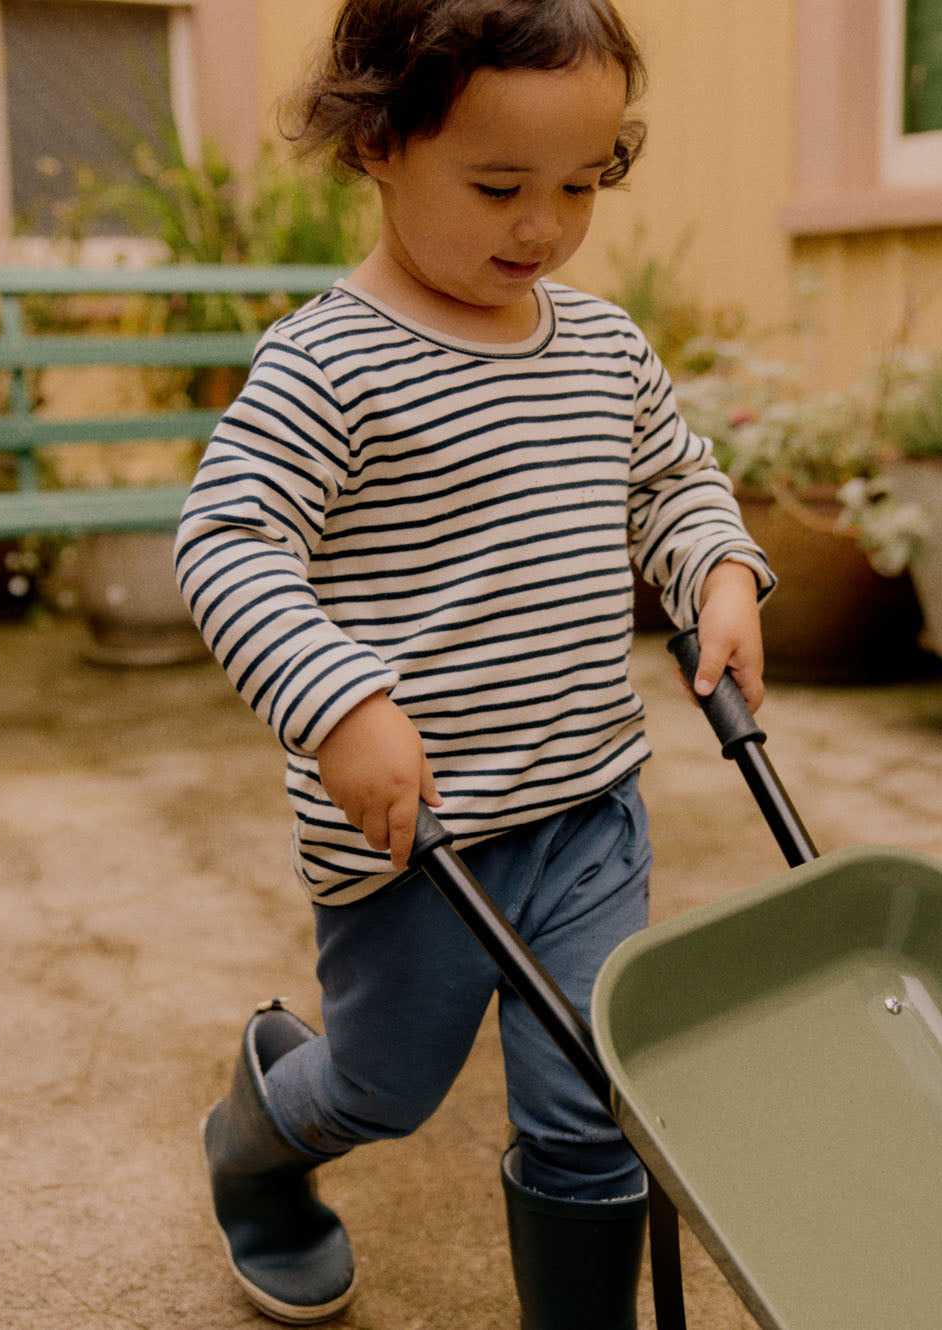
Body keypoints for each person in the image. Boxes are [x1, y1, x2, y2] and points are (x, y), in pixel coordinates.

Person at [176, 1, 773, 1324]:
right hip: (414, 840)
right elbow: (225, 541)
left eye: (582, 181)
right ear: (377, 141)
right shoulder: (325, 365)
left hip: (585, 813)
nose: (543, 225)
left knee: (592, 1101)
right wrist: (338, 702)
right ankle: (259, 1129)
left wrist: (716, 572)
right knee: (381, 1088)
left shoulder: (604, 350)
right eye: (499, 184)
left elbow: (671, 487)